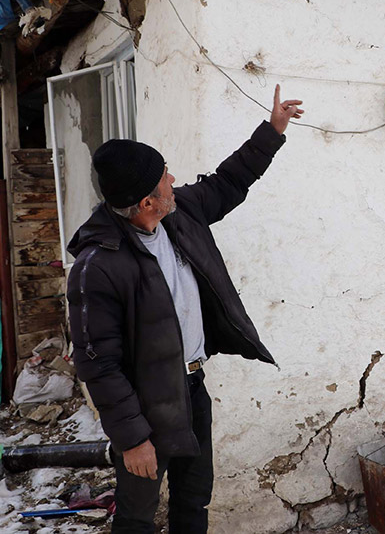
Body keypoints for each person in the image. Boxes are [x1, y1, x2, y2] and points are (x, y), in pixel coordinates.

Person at [66, 86, 304, 533]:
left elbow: (228, 181)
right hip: (144, 403)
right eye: (165, 178)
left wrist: (273, 131)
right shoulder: (97, 267)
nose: (174, 180)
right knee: (137, 517)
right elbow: (98, 364)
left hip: (192, 388)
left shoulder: (180, 213)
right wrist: (133, 439)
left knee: (193, 503)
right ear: (146, 203)